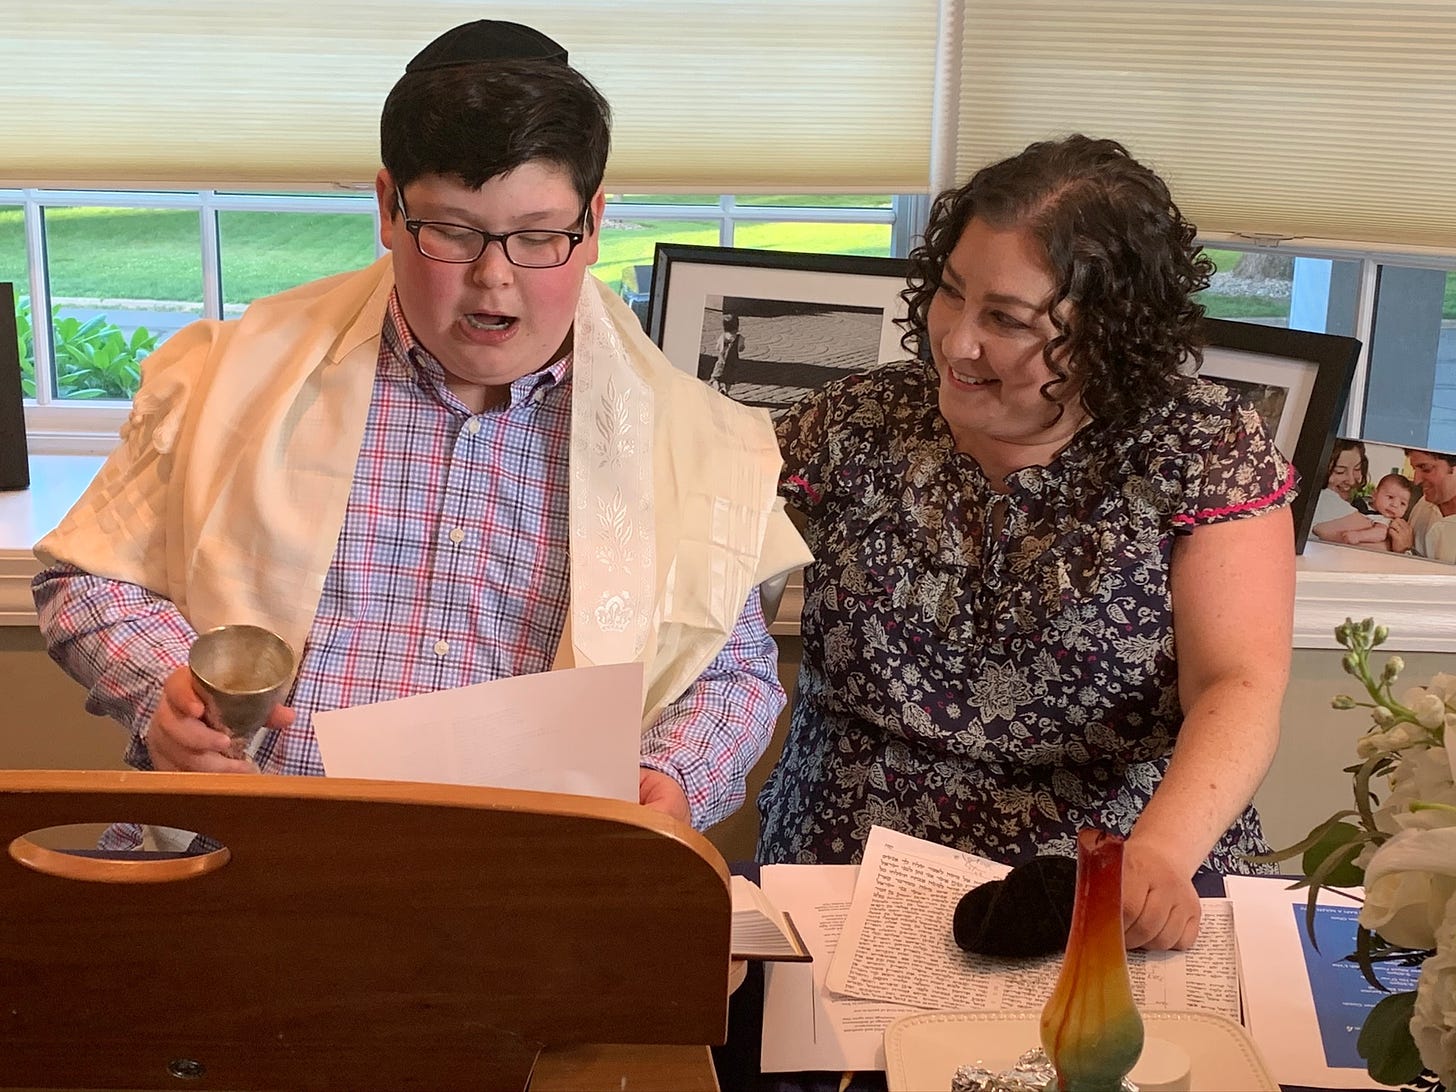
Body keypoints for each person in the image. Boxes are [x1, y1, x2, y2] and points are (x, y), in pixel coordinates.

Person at [32, 20, 809, 849]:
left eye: (541, 235)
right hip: (244, 857)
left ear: (594, 221)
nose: (494, 281)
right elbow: (86, 582)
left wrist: (676, 775)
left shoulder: (690, 442)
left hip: (517, 889)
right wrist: (166, 693)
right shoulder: (241, 373)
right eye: (452, 231)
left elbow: (731, 676)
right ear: (387, 208)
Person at [757, 135, 1295, 952]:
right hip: (855, 860)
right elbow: (703, 577)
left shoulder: (1203, 445)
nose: (957, 341)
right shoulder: (849, 424)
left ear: (1109, 336)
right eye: (949, 293)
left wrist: (1156, 856)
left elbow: (1239, 682)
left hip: (1115, 868)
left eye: (1005, 319)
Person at [1313, 472, 1413, 550]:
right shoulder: (1362, 505)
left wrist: (1359, 536)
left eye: (1402, 503)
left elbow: (1380, 533)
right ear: (1374, 494)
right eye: (1390, 497)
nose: (1395, 505)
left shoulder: (1387, 521)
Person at [1391, 449, 1456, 562]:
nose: (1416, 480)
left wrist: (1406, 552)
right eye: (1414, 469)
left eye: (1426, 469)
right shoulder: (1423, 504)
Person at [1310, 438, 1371, 530]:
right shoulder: (1323, 499)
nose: (1351, 481)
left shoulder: (1359, 504)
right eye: (1339, 471)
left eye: (1357, 468)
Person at [708, 311, 744, 392]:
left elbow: (717, 347)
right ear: (737, 327)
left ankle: (717, 388)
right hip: (732, 363)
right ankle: (725, 390)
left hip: (721, 361)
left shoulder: (722, 336)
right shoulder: (740, 338)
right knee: (729, 380)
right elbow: (741, 349)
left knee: (715, 378)